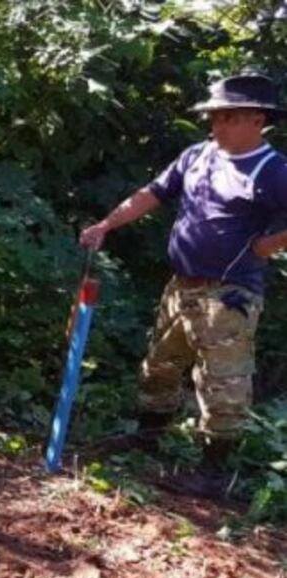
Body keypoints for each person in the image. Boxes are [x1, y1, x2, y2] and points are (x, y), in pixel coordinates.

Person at [79, 73, 287, 496]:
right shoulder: (198, 156)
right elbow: (153, 193)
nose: (218, 125)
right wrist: (107, 224)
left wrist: (270, 245)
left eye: (229, 117)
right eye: (214, 117)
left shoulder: (273, 171)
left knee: (223, 382)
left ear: (257, 120)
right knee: (160, 365)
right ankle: (148, 436)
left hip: (230, 293)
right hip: (181, 284)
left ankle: (213, 472)